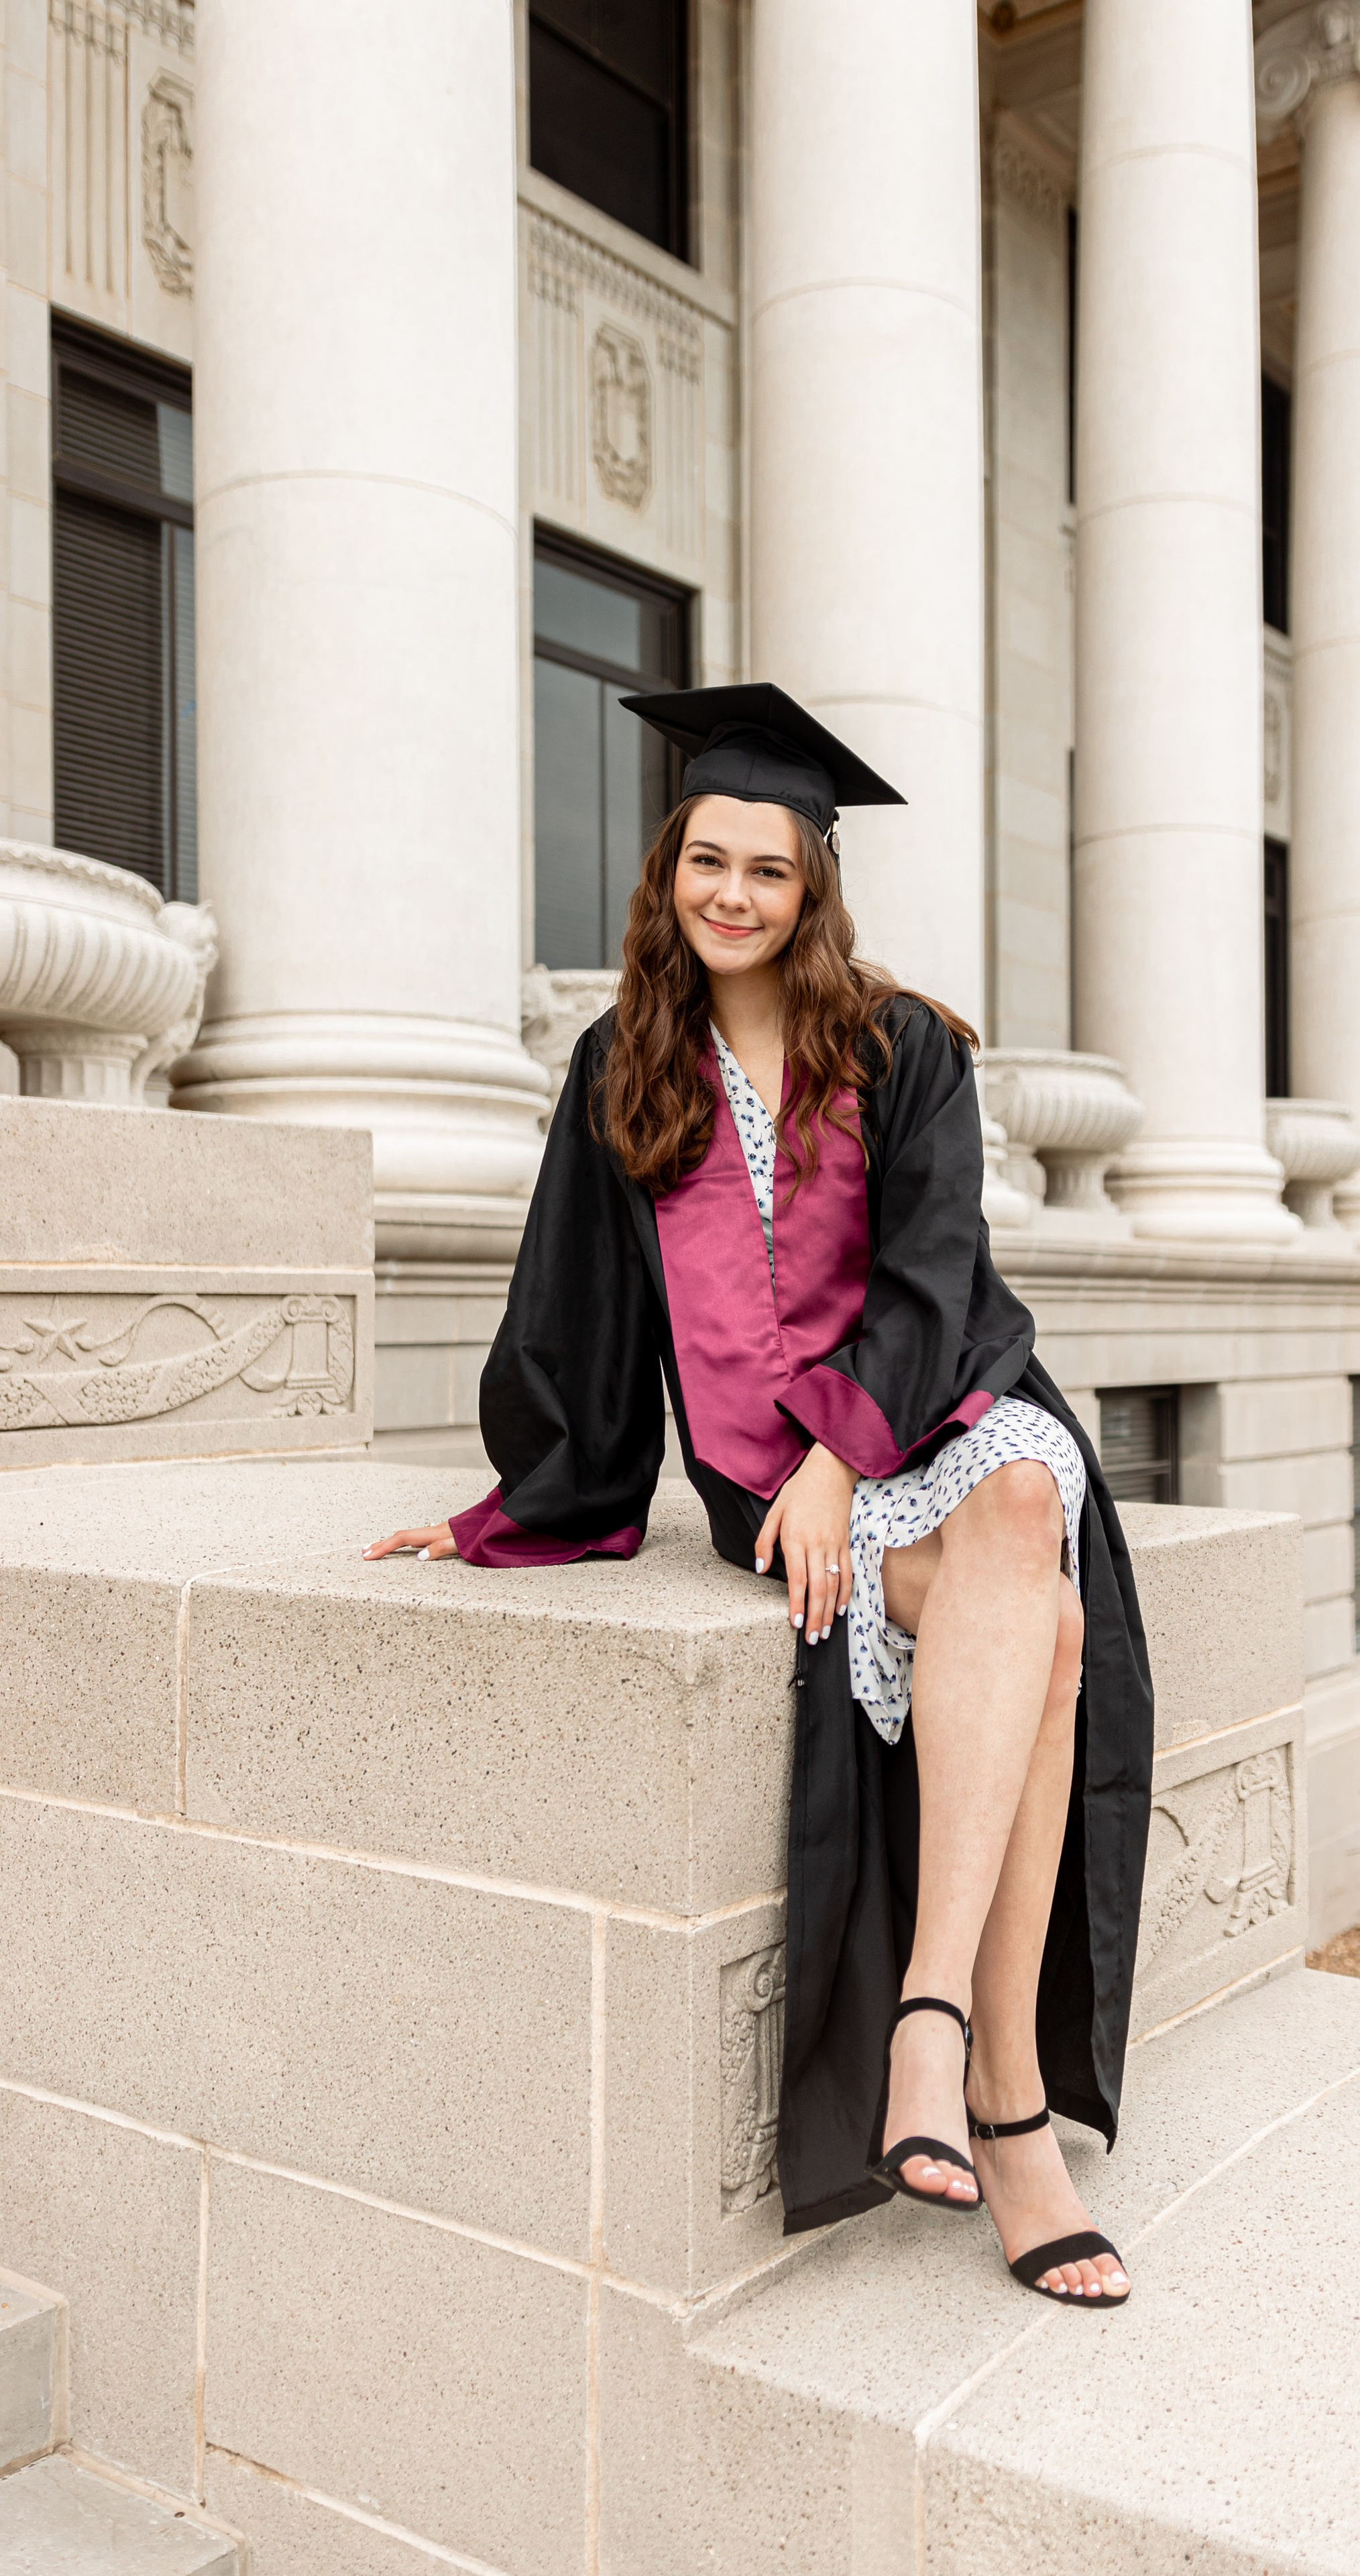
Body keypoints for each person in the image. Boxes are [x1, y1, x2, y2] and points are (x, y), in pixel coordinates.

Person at [365, 684, 1153, 2305]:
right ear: (668, 872)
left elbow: (942, 1276)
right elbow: (576, 1306)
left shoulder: (901, 1045)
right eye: (703, 862)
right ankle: (1006, 2115)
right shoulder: (619, 1065)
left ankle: (927, 2026)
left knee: (1021, 1509)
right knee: (1046, 1632)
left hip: (943, 1415)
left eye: (767, 871)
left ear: (813, 890)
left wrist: (839, 1451)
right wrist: (507, 1507)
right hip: (761, 1481)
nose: (731, 895)